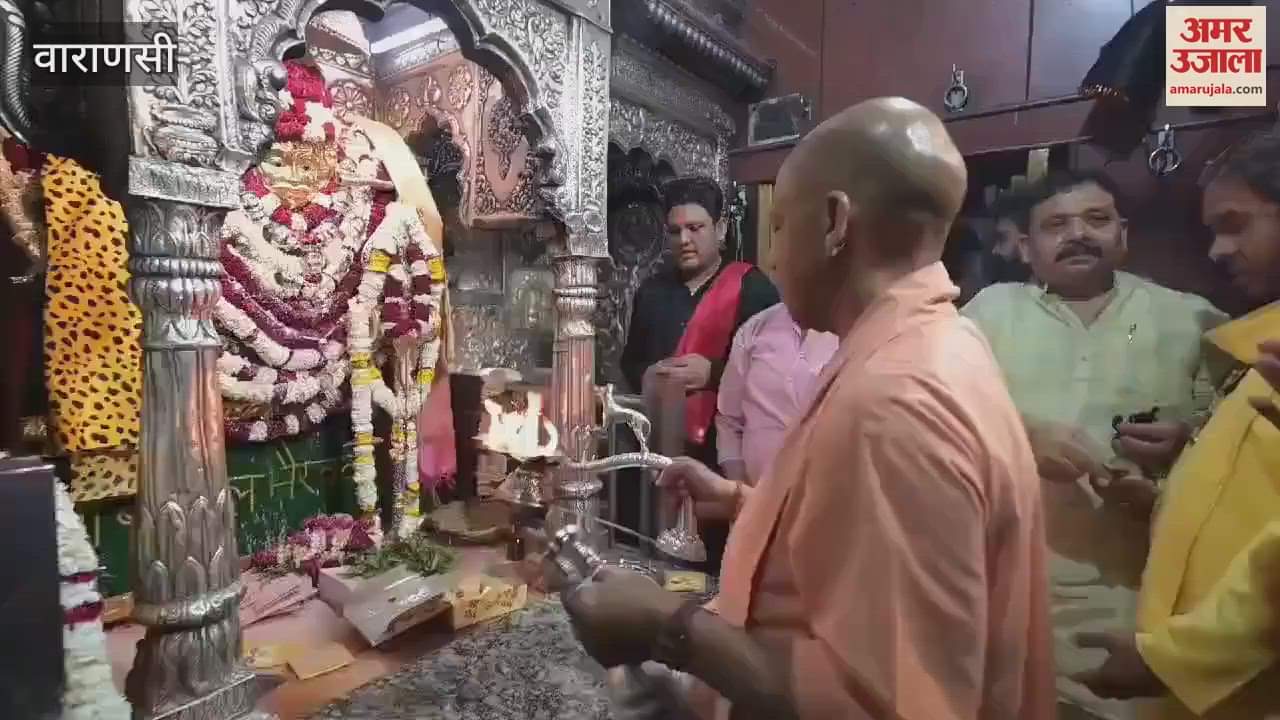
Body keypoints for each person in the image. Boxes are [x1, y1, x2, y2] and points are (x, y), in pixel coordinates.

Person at [560, 97, 1055, 719]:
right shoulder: (932, 343)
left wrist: (667, 624)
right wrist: (745, 501)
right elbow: (859, 537)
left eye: (780, 226)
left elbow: (884, 706)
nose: (773, 255)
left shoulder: (896, 400)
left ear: (833, 222)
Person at [961, 170, 1226, 720]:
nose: (1078, 234)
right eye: (1056, 225)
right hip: (1008, 596)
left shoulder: (1192, 319)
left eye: (1097, 220)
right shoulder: (985, 315)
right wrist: (1022, 434)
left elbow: (1236, 450)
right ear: (1025, 248)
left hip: (1140, 601)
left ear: (1124, 236)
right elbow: (936, 420)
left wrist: (1183, 450)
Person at [1074, 131, 1280, 719]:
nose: (1217, 250)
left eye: (1236, 224)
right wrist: (1175, 482)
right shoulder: (1256, 348)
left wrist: (1177, 660)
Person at [620, 176, 779, 569]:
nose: (684, 239)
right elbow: (630, 362)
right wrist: (651, 374)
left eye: (696, 228)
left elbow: (774, 375)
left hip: (720, 457)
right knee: (653, 556)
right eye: (675, 231)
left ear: (720, 229)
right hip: (659, 444)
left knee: (714, 564)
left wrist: (713, 373)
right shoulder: (652, 291)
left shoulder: (754, 289)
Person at [715, 303, 837, 488]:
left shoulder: (854, 330)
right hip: (754, 496)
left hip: (826, 494)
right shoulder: (756, 327)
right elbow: (729, 420)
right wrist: (739, 490)